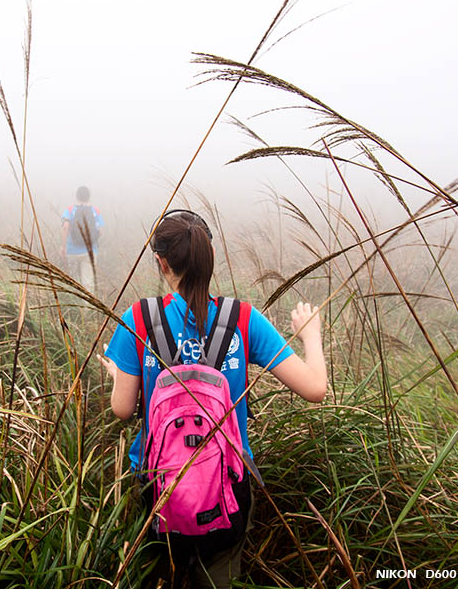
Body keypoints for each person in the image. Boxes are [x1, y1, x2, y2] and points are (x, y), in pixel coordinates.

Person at [97, 210, 327, 588]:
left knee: (158, 575)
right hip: (229, 483)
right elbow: (315, 388)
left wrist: (119, 374)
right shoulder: (244, 319)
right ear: (209, 256)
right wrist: (310, 334)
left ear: (161, 262)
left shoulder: (138, 318)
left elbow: (122, 409)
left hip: (156, 485)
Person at [61, 185, 103, 294]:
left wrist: (63, 247)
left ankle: (75, 304)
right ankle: (87, 308)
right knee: (88, 281)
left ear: (77, 196)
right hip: (90, 252)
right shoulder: (95, 211)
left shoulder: (70, 210)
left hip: (72, 250)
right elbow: (100, 231)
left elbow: (65, 227)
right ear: (89, 197)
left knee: (73, 280)